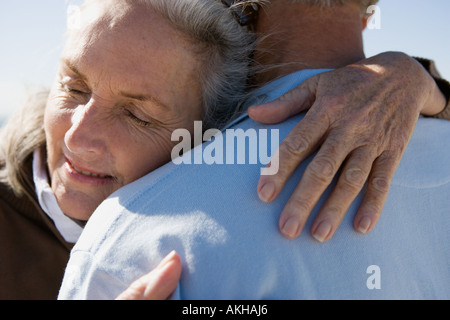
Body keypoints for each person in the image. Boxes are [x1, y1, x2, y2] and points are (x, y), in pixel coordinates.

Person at [0, 0, 448, 300]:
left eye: (138, 115)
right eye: (74, 87)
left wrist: (417, 80)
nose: (79, 138)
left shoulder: (137, 237)